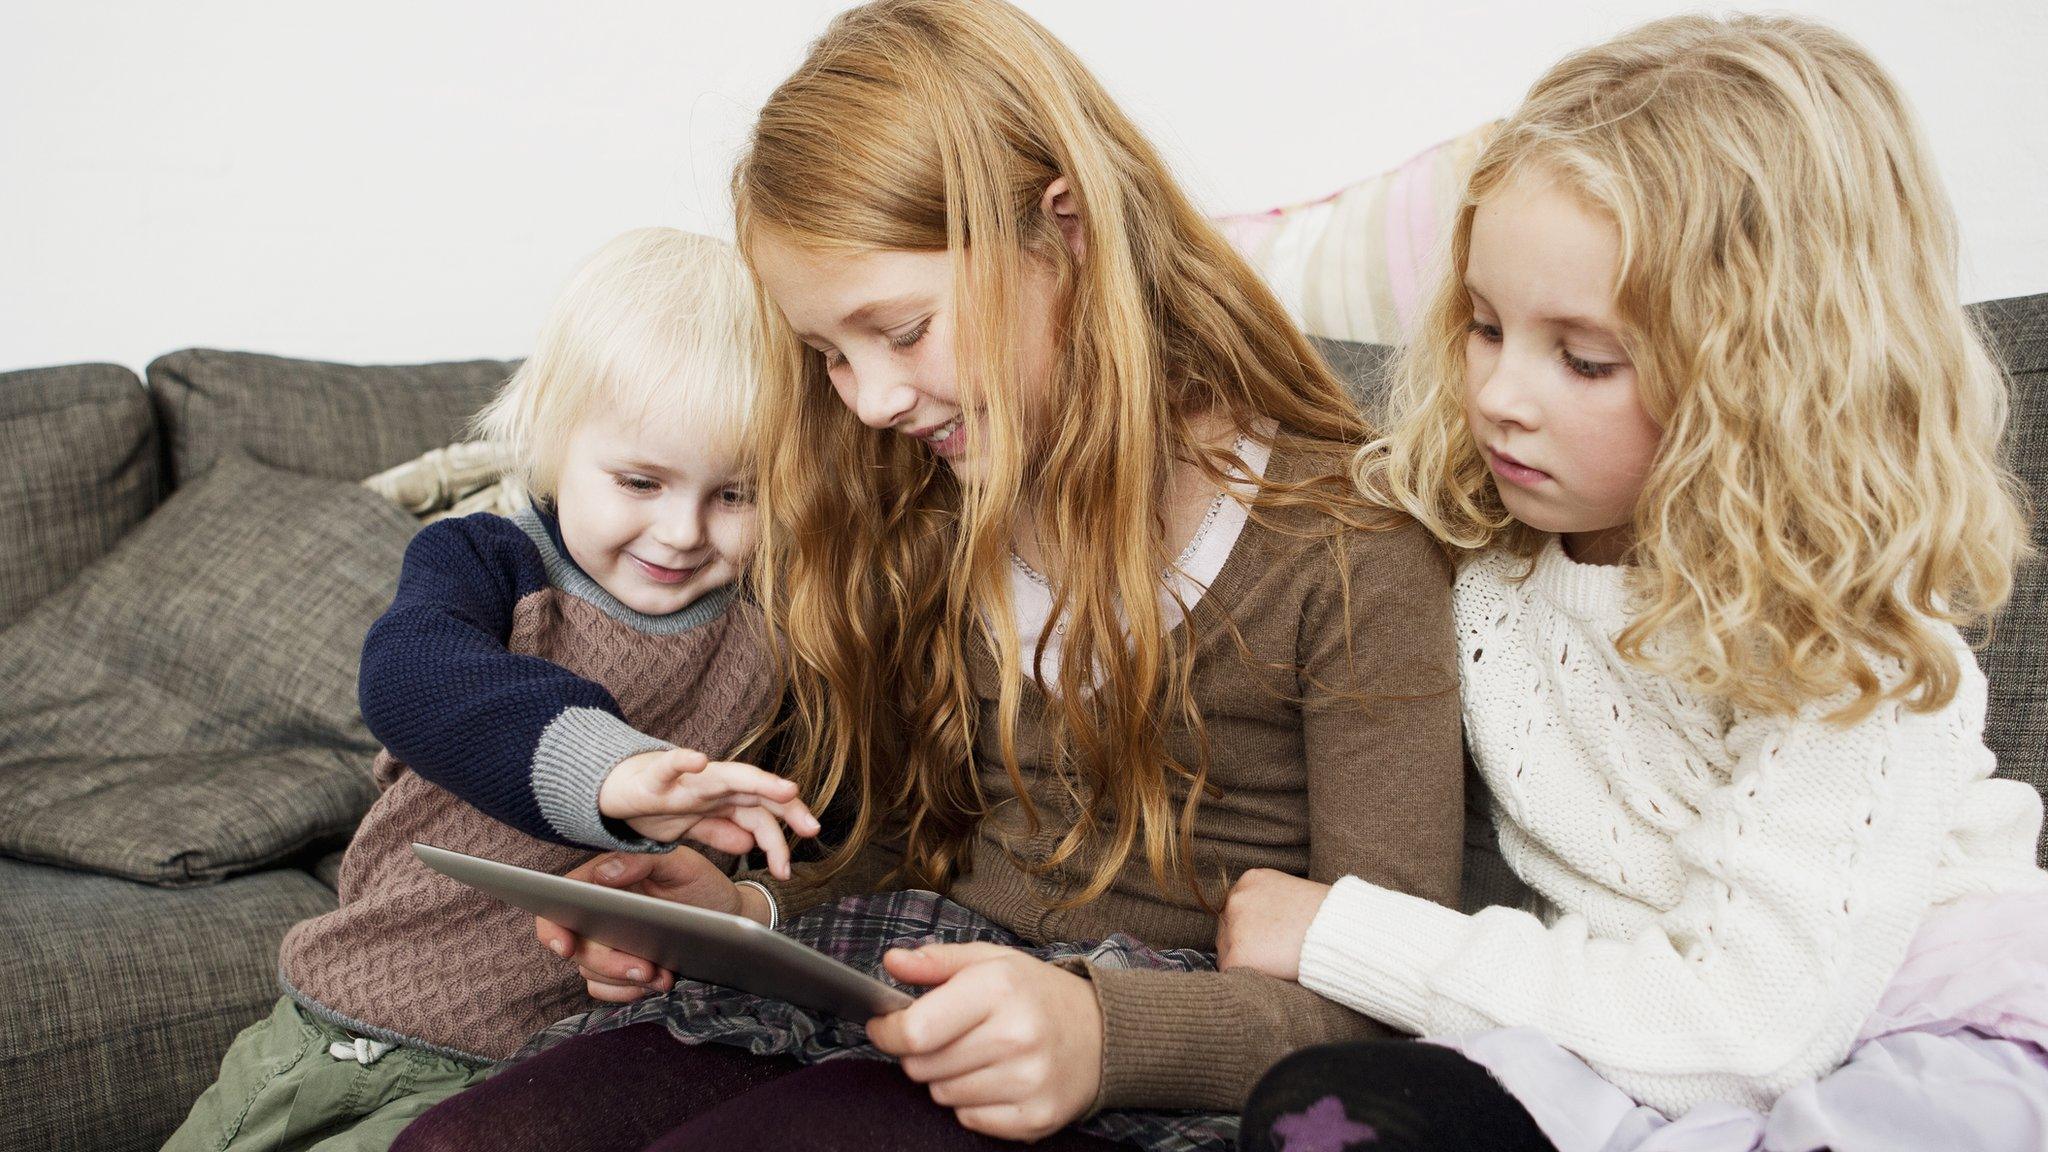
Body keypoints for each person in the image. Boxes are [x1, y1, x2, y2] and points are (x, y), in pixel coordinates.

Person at [392, 2, 1467, 1150]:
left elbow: (1393, 990)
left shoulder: (1345, 549)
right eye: (827, 356)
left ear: (1063, 232)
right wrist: (743, 910)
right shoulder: (926, 509)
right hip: (908, 959)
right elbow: (919, 842)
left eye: (899, 332)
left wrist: (1106, 1035)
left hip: (1154, 1037)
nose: (870, 400)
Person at [1222, 15, 2048, 1152]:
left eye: (1583, 359)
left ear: (1758, 378)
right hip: (1620, 1036)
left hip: (1916, 1034)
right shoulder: (1472, 553)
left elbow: (1749, 1034)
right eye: (1482, 325)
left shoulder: (1857, 650)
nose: (1501, 394)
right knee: (1323, 1111)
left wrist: (1349, 935)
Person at [164, 228, 819, 1152]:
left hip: (535, 1071)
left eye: (736, 495)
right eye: (640, 480)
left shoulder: (772, 638)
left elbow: (780, 850)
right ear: (554, 444)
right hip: (340, 1015)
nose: (680, 531)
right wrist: (613, 775)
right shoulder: (487, 560)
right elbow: (412, 675)